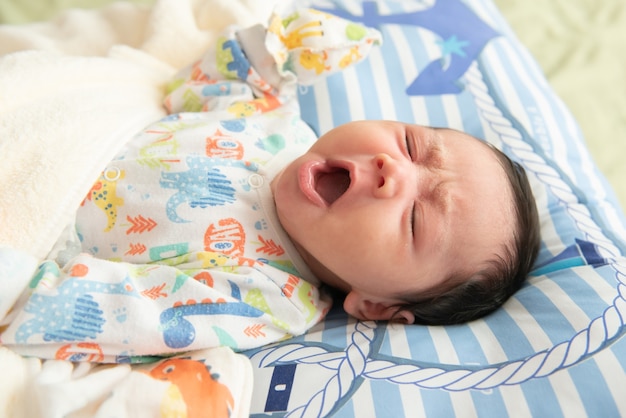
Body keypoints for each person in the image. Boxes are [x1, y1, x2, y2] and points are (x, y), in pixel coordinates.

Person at [1, 6, 539, 362]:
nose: (392, 169)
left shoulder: (269, 298)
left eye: (417, 218)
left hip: (33, 207)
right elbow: (195, 95)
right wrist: (272, 52)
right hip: (62, 118)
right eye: (411, 145)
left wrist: (16, 287)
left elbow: (120, 312)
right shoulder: (280, 127)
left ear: (374, 305)